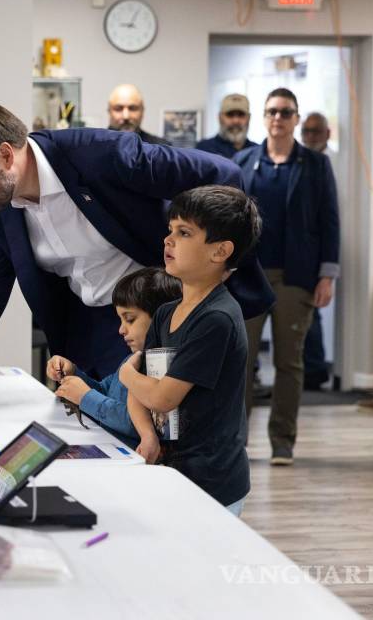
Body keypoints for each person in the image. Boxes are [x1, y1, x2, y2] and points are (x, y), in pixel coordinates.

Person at [0, 100, 274, 394]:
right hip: (81, 326)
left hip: (152, 314)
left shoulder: (101, 155)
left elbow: (223, 174)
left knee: (148, 434)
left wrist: (210, 262)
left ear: (6, 155)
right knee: (89, 428)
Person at [118, 185, 262, 516]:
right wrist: (147, 436)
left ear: (220, 251)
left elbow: (162, 397)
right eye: (170, 230)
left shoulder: (217, 318)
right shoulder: (167, 312)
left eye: (184, 233)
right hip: (173, 470)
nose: (168, 240)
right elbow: (141, 392)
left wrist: (125, 373)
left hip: (212, 481)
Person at [234, 89, 340, 465]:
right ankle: (237, 442)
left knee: (289, 362)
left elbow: (329, 221)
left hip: (297, 277)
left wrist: (327, 275)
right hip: (248, 277)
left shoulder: (314, 165)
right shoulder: (244, 162)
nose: (278, 118)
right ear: (263, 118)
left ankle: (282, 442)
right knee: (240, 360)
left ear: (296, 119)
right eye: (272, 112)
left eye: (285, 112)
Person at [47, 267, 181, 455]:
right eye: (120, 320)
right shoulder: (131, 360)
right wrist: (72, 373)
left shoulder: (165, 369)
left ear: (161, 318)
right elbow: (104, 391)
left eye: (130, 319)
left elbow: (143, 426)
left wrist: (85, 397)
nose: (121, 330)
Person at [300, 111, 333, 389]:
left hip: (312, 256)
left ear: (327, 133)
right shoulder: (301, 163)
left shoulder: (324, 164)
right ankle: (313, 368)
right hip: (296, 255)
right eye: (307, 131)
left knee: (311, 316)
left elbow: (330, 220)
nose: (311, 136)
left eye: (316, 131)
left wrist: (327, 271)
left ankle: (315, 368)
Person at [107, 83, 172, 145]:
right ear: (109, 111)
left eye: (133, 108)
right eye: (118, 108)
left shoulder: (161, 148)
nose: (126, 116)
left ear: (142, 111)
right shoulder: (97, 147)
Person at [196, 93, 257, 159]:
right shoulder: (204, 150)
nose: (236, 121)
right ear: (220, 118)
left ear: (249, 118)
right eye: (230, 114)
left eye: (241, 115)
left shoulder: (257, 152)